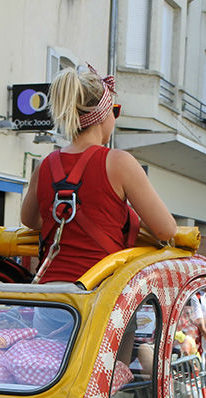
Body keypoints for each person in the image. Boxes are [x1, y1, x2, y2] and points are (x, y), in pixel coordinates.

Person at [20, 65, 177, 283]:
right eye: (115, 111)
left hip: (50, 296)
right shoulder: (120, 162)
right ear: (103, 115)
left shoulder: (45, 165)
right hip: (97, 295)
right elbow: (166, 230)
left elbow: (30, 220)